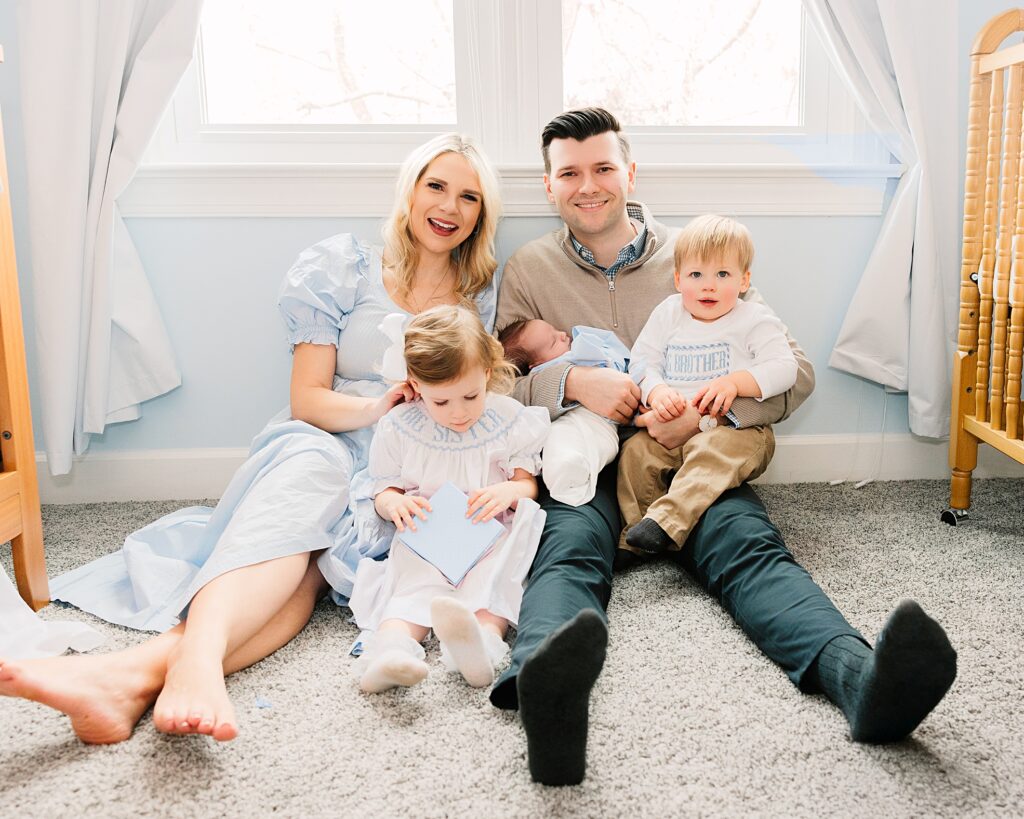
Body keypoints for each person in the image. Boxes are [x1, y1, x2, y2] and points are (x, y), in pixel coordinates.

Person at [493, 107, 957, 786]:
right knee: (565, 552)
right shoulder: (529, 269)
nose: (587, 185)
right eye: (570, 173)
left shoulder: (700, 256)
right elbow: (495, 389)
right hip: (584, 460)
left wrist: (711, 409)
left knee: (750, 548)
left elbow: (790, 372)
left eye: (602, 167)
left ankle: (859, 679)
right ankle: (544, 692)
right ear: (548, 185)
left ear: (629, 172)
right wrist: (573, 382)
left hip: (693, 460)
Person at [0, 133, 503, 744]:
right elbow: (308, 398)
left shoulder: (480, 295)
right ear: (410, 190)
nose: (449, 206)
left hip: (401, 469)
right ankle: (195, 663)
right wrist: (377, 405)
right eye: (437, 186)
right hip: (327, 436)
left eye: (469, 197)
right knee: (296, 513)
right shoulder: (345, 266)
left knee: (306, 575)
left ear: (481, 213)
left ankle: (127, 680)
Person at [348, 305, 549, 693]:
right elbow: (383, 486)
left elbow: (528, 485)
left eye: (471, 396)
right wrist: (393, 504)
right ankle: (392, 653)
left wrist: (508, 490)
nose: (459, 414)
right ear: (416, 386)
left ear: (487, 374)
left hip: (487, 534)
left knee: (493, 588)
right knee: (409, 594)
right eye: (442, 402)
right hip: (429, 536)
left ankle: (479, 646)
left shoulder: (507, 418)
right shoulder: (401, 426)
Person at [620, 213, 797, 555]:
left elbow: (785, 368)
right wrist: (656, 391)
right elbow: (642, 362)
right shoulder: (669, 313)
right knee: (635, 454)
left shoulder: (753, 319)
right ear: (677, 278)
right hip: (670, 428)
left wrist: (737, 382)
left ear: (744, 281)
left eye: (723, 274)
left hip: (735, 432)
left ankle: (668, 521)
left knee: (713, 451)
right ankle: (636, 535)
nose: (708, 285)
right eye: (696, 274)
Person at [499, 319, 628, 506]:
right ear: (536, 365)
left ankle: (568, 473)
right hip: (566, 420)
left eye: (556, 330)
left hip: (601, 421)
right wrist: (570, 382)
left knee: (577, 442)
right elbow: (505, 392)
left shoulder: (584, 346)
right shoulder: (544, 372)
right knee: (559, 438)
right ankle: (568, 475)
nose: (563, 334)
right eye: (553, 342)